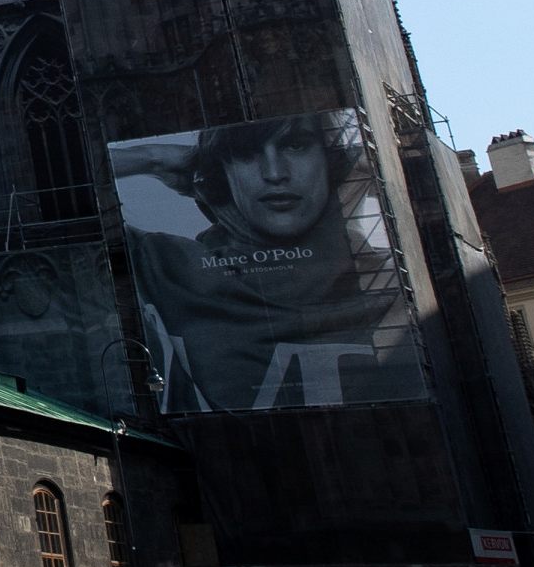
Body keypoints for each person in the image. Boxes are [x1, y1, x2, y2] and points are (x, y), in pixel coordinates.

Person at [115, 114, 429, 414]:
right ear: (221, 170)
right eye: (246, 153)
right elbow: (70, 204)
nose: (275, 172)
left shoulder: (394, 282)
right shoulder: (167, 266)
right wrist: (149, 158)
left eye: (296, 146)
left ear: (329, 159)